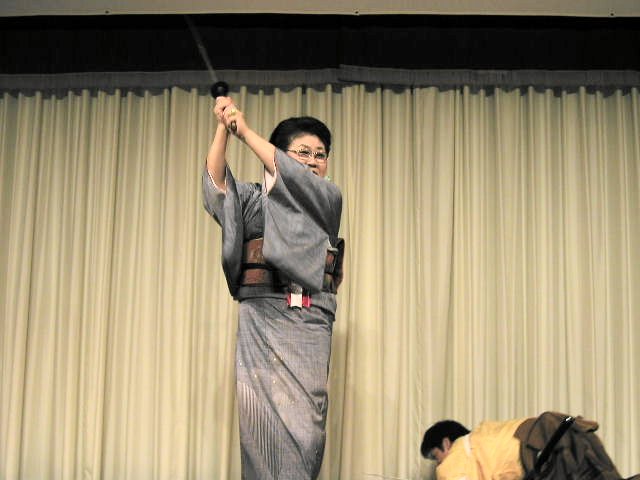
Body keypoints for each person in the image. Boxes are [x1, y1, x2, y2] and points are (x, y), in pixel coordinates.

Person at [202, 95, 344, 480]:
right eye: (303, 152)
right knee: (260, 425)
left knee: (306, 431)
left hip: (309, 323)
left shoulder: (327, 198)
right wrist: (224, 129)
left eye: (320, 154)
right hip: (262, 318)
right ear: (279, 154)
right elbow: (217, 187)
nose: (313, 161)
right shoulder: (253, 200)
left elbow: (295, 180)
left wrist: (246, 132)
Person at [420, 412, 638, 480]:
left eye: (436, 456)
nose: (439, 464)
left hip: (543, 449)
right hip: (565, 430)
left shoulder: (455, 455)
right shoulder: (484, 435)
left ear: (446, 443)